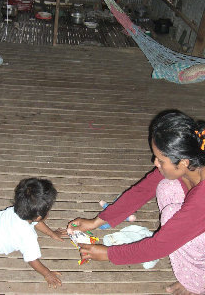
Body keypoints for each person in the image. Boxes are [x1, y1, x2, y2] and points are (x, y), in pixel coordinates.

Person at [67, 110, 205, 295]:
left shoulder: (202, 199)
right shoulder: (194, 161)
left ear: (183, 163)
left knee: (172, 216)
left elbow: (159, 245)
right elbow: (142, 191)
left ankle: (198, 282)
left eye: (161, 160)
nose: (155, 162)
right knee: (166, 186)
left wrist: (108, 254)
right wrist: (97, 221)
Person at [0, 177, 67, 288]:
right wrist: (47, 274)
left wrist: (52, 233)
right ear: (38, 217)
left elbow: (35, 222)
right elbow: (32, 259)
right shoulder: (28, 236)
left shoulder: (19, 209)